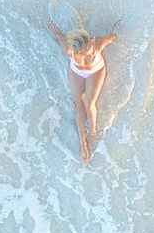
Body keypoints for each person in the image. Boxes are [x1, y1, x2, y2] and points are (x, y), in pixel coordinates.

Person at [47, 18, 118, 163]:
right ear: (88, 42)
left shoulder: (70, 50)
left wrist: (56, 31)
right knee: (85, 104)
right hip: (86, 72)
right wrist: (115, 31)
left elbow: (60, 37)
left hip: (91, 72)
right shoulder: (95, 45)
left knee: (85, 104)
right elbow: (112, 37)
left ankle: (89, 136)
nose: (91, 40)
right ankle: (87, 138)